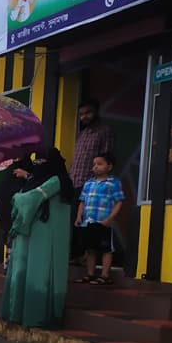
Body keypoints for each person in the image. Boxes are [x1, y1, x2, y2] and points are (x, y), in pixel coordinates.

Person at [1, 148, 75, 327]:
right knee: (25, 271)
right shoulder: (37, 179)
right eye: (37, 162)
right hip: (34, 232)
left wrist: (15, 198)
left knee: (40, 274)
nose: (39, 165)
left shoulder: (58, 180)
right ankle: (17, 313)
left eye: (42, 161)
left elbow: (27, 200)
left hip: (47, 234)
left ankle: (38, 316)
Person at [69, 99, 114, 261]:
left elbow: (106, 156)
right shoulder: (82, 134)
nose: (84, 117)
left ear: (96, 112)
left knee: (88, 225)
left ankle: (85, 257)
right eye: (81, 114)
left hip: (91, 185)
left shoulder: (103, 131)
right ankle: (76, 255)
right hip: (75, 182)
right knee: (75, 220)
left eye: (87, 113)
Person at [75, 152, 124, 285]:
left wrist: (110, 218)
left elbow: (119, 201)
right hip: (88, 221)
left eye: (100, 164)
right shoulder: (89, 183)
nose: (95, 167)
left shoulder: (113, 183)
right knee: (90, 249)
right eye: (94, 164)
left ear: (109, 166)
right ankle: (90, 274)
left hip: (104, 222)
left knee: (106, 249)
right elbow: (82, 202)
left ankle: (105, 275)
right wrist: (79, 216)